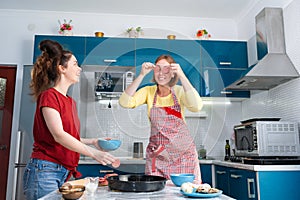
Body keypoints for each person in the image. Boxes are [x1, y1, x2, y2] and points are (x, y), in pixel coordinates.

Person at [23, 39, 117, 199]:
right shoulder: (49, 96)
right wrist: (94, 154)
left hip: (63, 171)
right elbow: (58, 135)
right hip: (46, 170)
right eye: (75, 64)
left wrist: (93, 141)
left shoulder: (70, 101)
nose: (79, 69)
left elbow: (68, 136)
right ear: (61, 68)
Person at [119, 54, 203, 183]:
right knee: (156, 194)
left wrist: (182, 75)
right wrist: (141, 75)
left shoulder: (180, 91)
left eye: (166, 69)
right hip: (158, 158)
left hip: (183, 157)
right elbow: (124, 102)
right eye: (158, 68)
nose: (161, 73)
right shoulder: (148, 92)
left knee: (185, 192)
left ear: (173, 73)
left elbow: (196, 106)